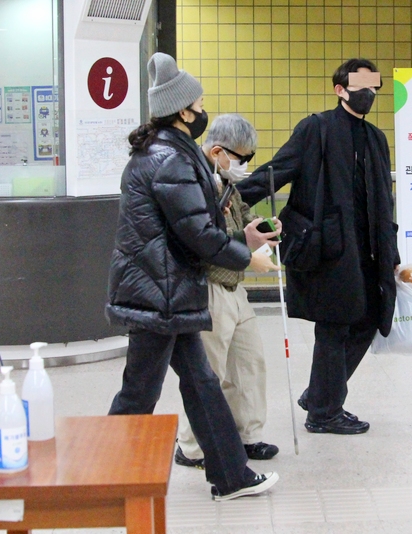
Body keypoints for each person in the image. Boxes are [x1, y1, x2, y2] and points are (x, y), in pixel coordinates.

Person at [106, 52, 280, 501]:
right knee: (139, 393)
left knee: (200, 382)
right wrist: (247, 257)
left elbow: (188, 227)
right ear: (183, 111)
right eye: (198, 103)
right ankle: (104, 475)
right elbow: (198, 233)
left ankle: (230, 476)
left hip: (168, 289)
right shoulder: (170, 158)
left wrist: (240, 237)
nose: (203, 110)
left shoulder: (167, 151)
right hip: (159, 291)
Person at [237, 58, 400, 435]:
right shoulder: (318, 128)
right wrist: (228, 196)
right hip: (329, 247)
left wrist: (392, 254)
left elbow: (384, 199)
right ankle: (324, 412)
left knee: (372, 318)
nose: (368, 94)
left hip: (370, 250)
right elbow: (278, 171)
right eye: (360, 87)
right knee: (335, 325)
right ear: (339, 89)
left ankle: (320, 394)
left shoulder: (375, 138)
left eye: (373, 87)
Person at [174, 114, 281, 468]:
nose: (244, 166)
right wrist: (246, 248)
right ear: (218, 150)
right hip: (209, 287)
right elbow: (201, 238)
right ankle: (191, 446)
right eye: (242, 158)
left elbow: (244, 216)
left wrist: (262, 227)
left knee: (248, 363)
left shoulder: (225, 182)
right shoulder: (193, 182)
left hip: (235, 286)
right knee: (209, 372)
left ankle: (246, 434)